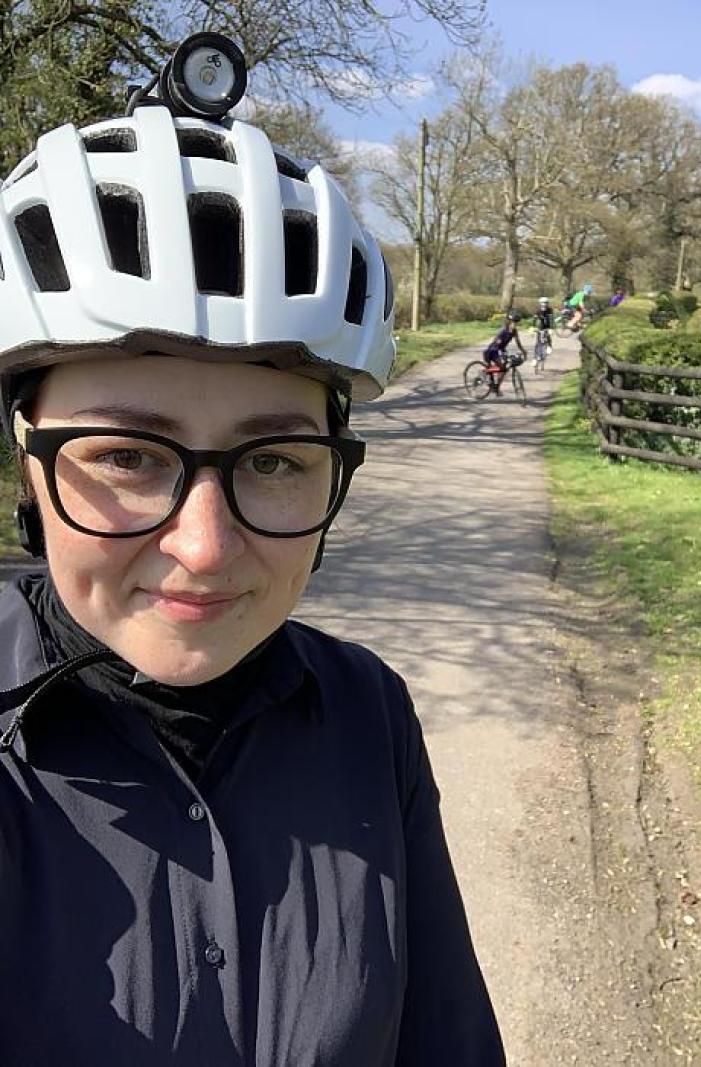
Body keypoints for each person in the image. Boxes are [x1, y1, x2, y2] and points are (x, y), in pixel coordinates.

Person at [0, 33, 506, 1067]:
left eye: (275, 462)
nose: (204, 547)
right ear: (27, 462)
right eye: (129, 457)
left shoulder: (366, 711)